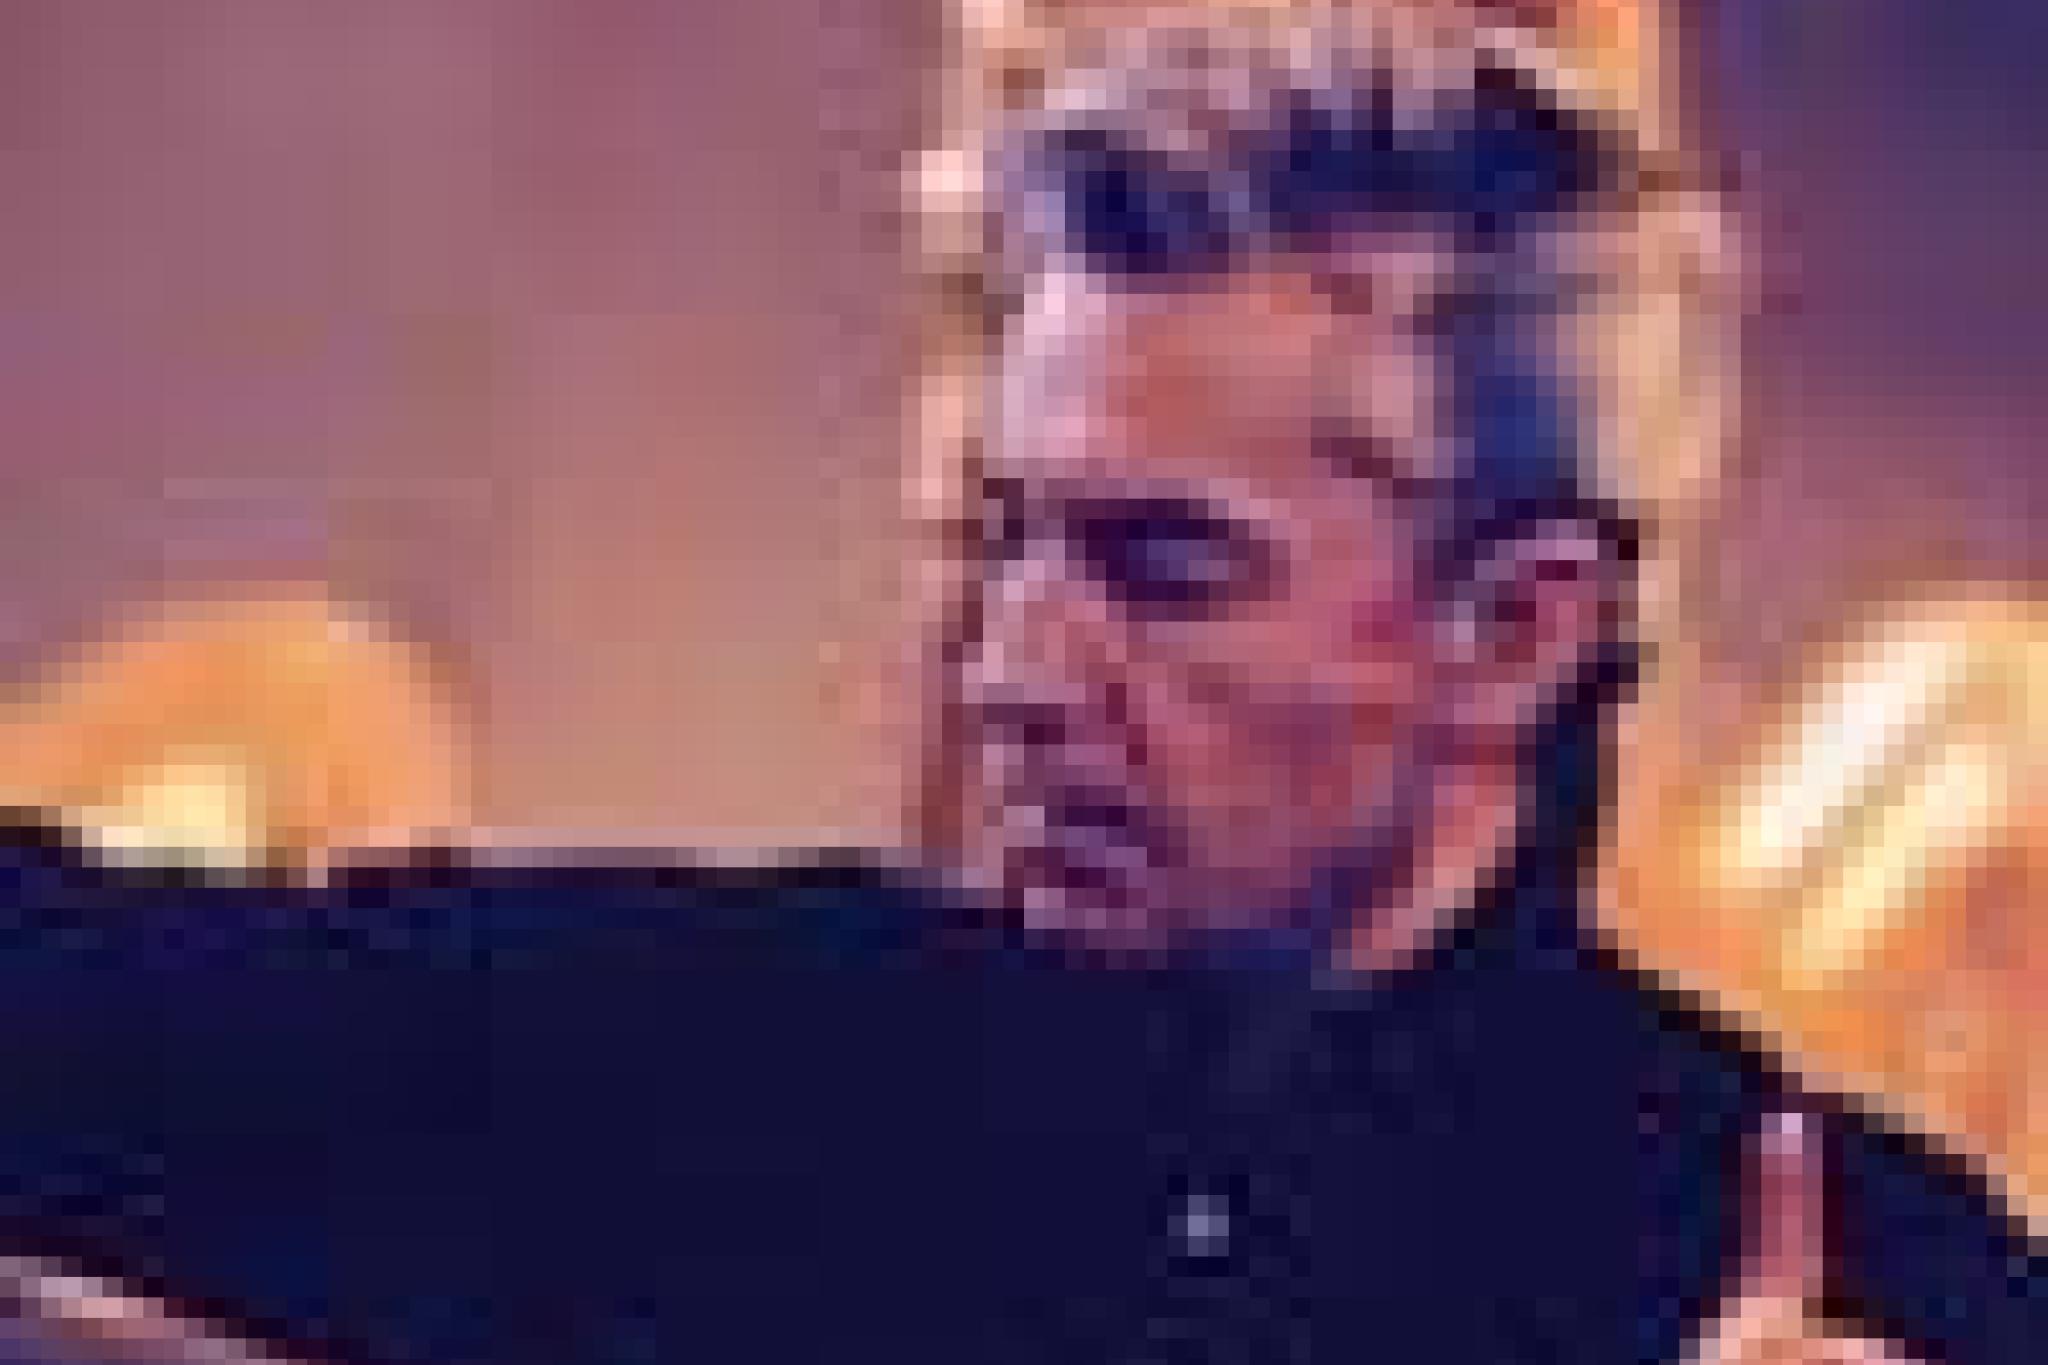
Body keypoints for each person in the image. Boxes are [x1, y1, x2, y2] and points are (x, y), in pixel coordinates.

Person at [0, 10, 2039, 1365]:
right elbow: (76, 1002)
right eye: (1007, 541)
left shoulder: (1851, 1275)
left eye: (1164, 570)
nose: (1010, 675)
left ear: (1511, 630)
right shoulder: (745, 1064)